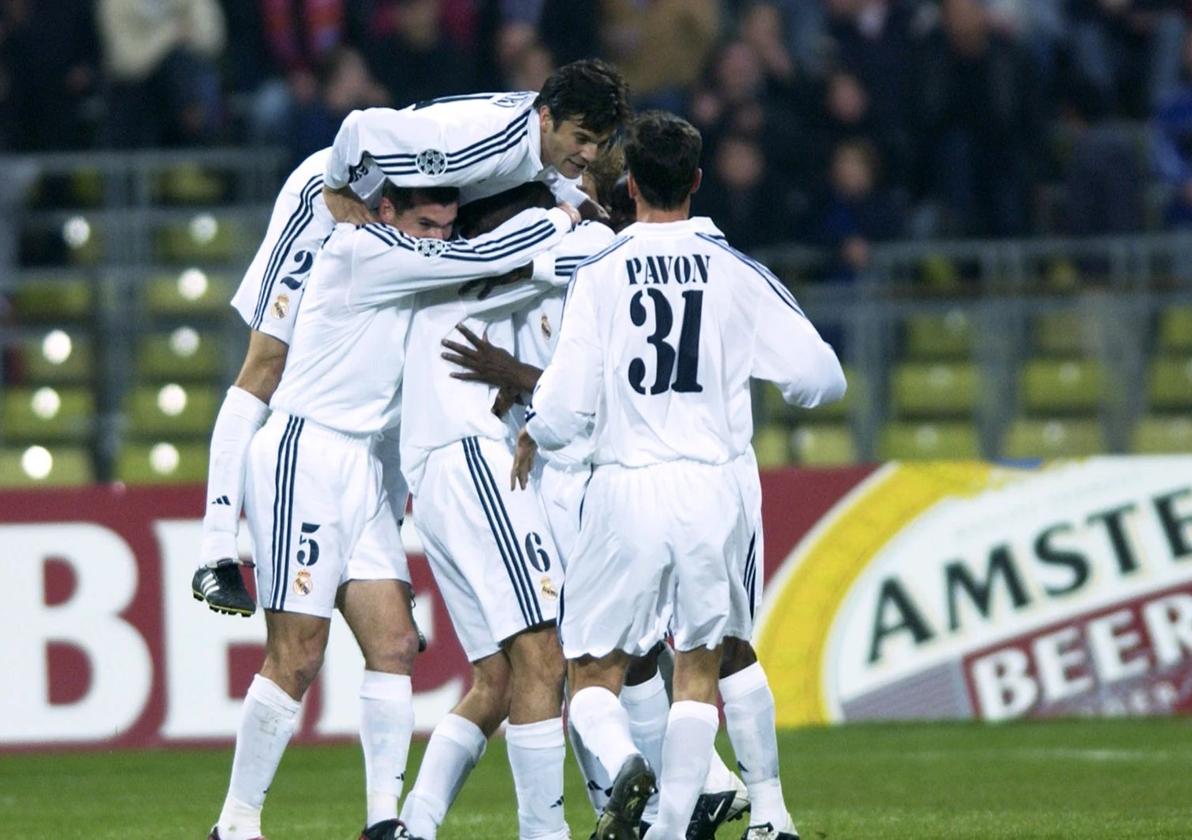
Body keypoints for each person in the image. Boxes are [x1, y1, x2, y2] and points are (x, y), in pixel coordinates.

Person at [206, 181, 578, 840]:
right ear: (386, 214)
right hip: (305, 450)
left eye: (445, 225)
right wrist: (569, 211)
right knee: (298, 654)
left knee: (398, 646)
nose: (437, 236)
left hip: (363, 469)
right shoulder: (362, 251)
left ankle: (384, 823)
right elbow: (483, 261)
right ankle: (236, 823)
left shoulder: (414, 264)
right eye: (425, 222)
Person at [193, 58, 630, 616]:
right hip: (330, 203)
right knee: (266, 365)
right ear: (545, 120)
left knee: (404, 370)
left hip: (413, 223)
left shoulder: (543, 145)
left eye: (598, 142)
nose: (588, 154)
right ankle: (216, 554)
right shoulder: (476, 142)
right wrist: (342, 191)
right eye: (582, 139)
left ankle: (375, 560)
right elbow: (356, 131)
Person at [511, 111, 845, 840]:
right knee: (701, 665)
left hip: (625, 486)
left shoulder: (599, 273)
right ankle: (679, 826)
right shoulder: (734, 270)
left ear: (628, 184)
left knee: (592, 672)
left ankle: (627, 761)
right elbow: (822, 377)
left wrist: (535, 433)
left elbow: (565, 408)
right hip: (710, 484)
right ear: (696, 180)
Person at [394, 183, 613, 840]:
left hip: (434, 480)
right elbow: (577, 264)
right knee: (546, 652)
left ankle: (413, 823)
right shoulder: (468, 268)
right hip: (468, 464)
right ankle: (545, 833)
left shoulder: (415, 277)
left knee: (496, 677)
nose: (440, 235)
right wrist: (584, 219)